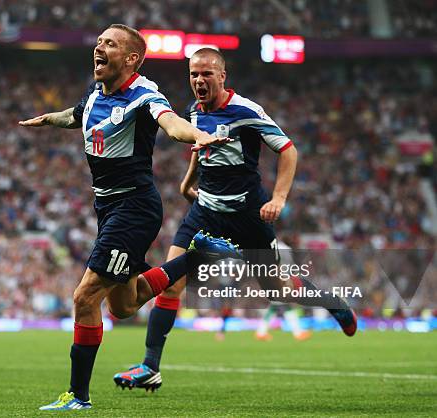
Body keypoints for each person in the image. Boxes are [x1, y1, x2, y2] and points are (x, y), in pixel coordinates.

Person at [19, 25, 236, 411]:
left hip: (134, 207)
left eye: (110, 44)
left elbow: (170, 122)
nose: (99, 48)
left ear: (131, 58)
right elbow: (78, 114)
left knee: (84, 297)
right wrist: (49, 119)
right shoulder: (96, 92)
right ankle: (199, 255)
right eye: (99, 41)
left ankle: (78, 396)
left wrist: (196, 136)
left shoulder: (143, 94)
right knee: (124, 306)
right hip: (108, 208)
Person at [113, 48, 356, 391]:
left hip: (247, 215)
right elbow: (202, 150)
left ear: (222, 76)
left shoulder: (246, 110)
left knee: (278, 289)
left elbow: (288, 150)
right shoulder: (192, 113)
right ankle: (150, 366)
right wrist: (187, 182)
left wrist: (279, 198)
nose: (199, 80)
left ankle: (333, 303)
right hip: (206, 210)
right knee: (172, 282)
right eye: (194, 74)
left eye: (207, 74)